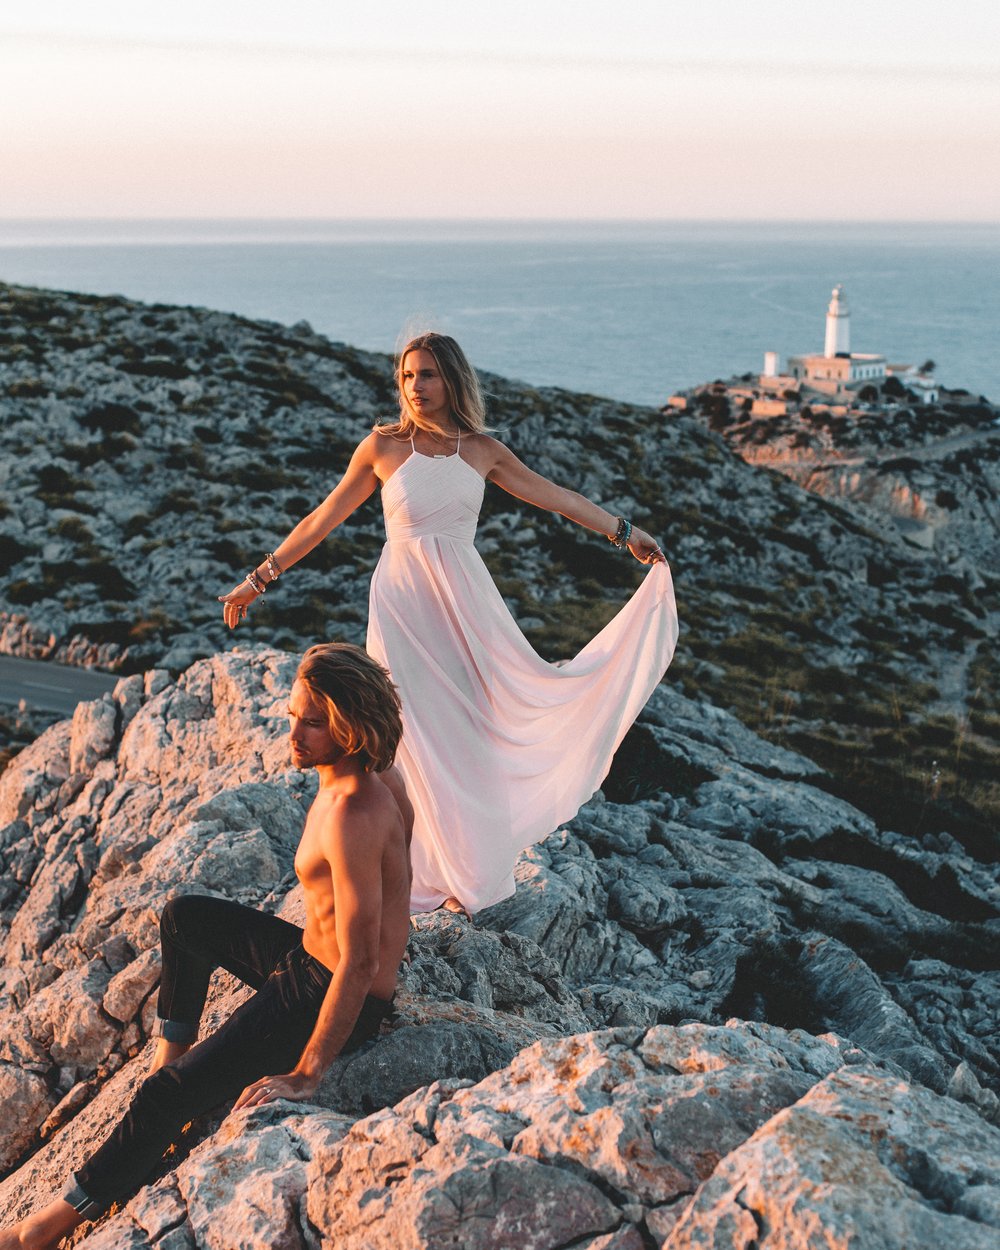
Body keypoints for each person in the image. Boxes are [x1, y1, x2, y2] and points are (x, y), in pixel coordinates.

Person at [219, 331, 679, 917]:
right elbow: (324, 516)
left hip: (465, 602)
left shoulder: (482, 450)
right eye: (408, 376)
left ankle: (468, 868)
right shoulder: (382, 448)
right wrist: (258, 580)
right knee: (403, 732)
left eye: (428, 375)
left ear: (452, 379)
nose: (416, 387)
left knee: (470, 728)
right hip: (402, 603)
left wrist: (624, 532)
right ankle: (405, 869)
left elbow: (555, 496)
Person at [1, 643, 413, 1250]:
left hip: (328, 994)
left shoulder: (354, 810)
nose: (293, 732)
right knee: (184, 917)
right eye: (294, 713)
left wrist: (306, 1072)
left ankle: (41, 1230)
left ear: (350, 727)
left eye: (313, 722)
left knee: (164, 1101)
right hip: (307, 960)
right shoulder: (371, 779)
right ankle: (174, 1059)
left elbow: (361, 961)